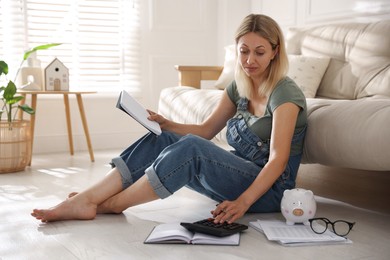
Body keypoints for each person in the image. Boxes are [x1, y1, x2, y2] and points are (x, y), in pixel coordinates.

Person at [31, 14, 307, 224]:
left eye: (259, 52)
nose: (250, 60)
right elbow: (206, 130)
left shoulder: (284, 93)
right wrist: (167, 124)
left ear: (274, 52)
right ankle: (88, 198)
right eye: (244, 51)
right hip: (236, 177)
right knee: (162, 137)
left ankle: (110, 204)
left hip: (269, 190)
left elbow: (278, 160)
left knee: (191, 148)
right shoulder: (239, 86)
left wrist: (243, 203)